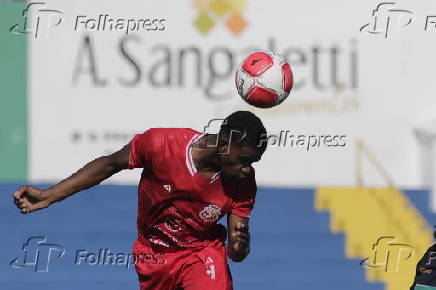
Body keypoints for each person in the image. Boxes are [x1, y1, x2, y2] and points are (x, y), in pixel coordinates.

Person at [13, 110, 268, 290]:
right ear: (223, 146)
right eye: (245, 160)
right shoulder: (162, 144)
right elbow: (110, 164)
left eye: (253, 163)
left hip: (201, 253)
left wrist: (239, 247)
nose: (248, 169)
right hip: (154, 256)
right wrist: (49, 196)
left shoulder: (243, 183)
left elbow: (237, 250)